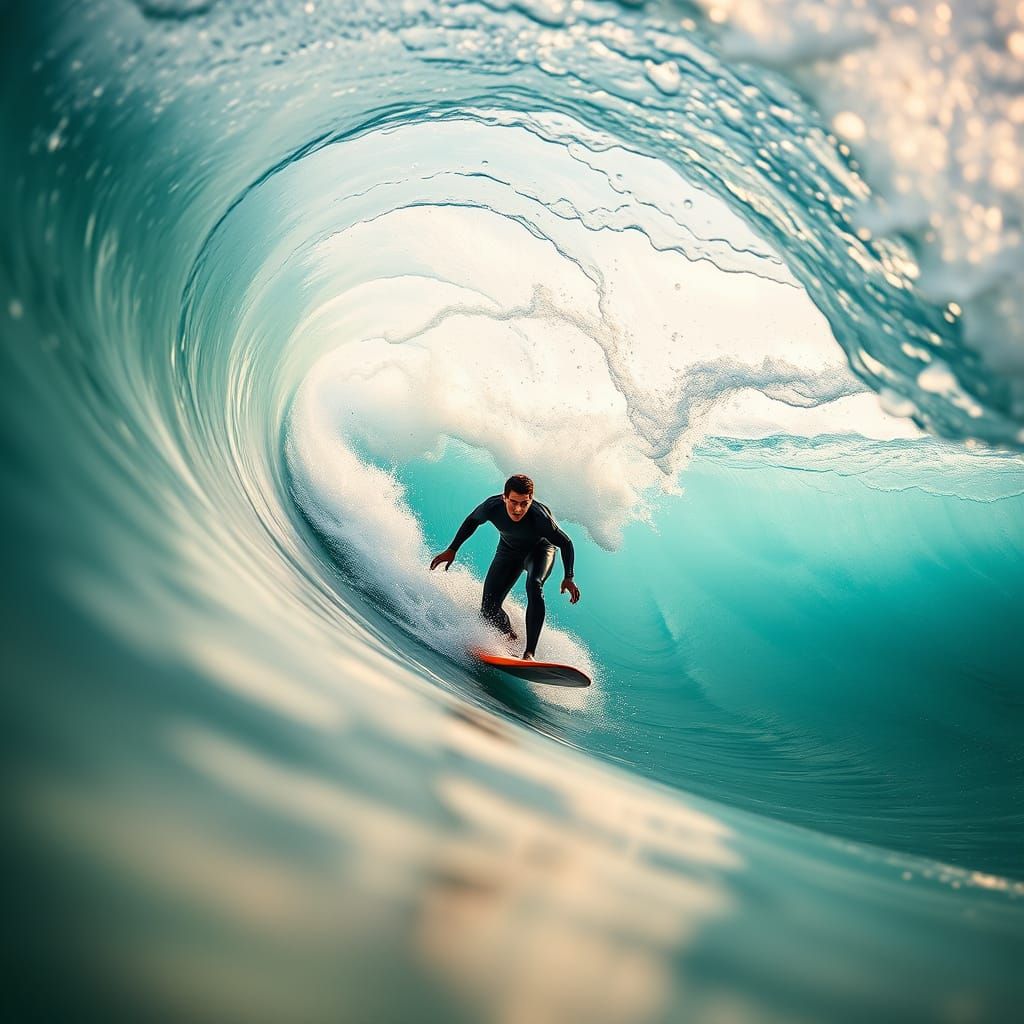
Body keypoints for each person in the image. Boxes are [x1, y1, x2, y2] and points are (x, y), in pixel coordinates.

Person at [430, 473, 581, 661]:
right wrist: (452, 549)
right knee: (488, 608)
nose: (518, 509)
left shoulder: (540, 518)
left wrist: (569, 577)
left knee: (534, 584)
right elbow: (472, 520)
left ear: (531, 499)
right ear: (504, 497)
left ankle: (529, 653)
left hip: (539, 551)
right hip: (509, 550)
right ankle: (509, 636)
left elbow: (566, 543)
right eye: (513, 502)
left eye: (524, 504)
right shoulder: (492, 507)